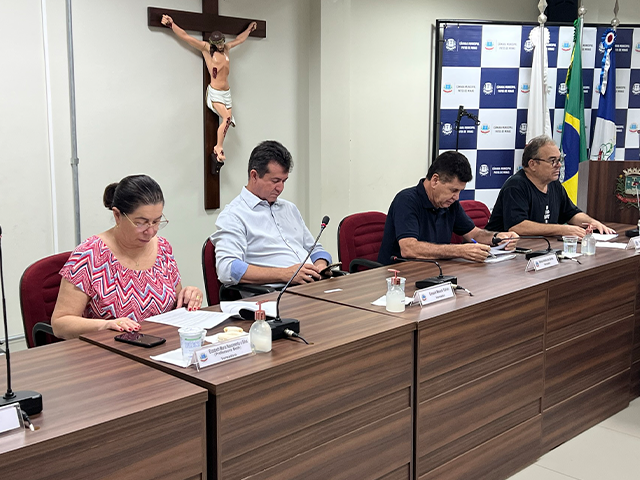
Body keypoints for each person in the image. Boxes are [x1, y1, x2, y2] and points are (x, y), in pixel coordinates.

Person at [51, 175, 203, 339]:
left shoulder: (163, 248)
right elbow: (60, 324)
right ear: (117, 215)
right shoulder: (90, 255)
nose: (150, 231)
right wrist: (105, 325)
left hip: (159, 344)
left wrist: (188, 296)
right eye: (141, 223)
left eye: (156, 222)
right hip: (110, 349)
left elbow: (175, 305)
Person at [211, 140, 332, 286]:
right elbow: (228, 268)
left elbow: (315, 250)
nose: (280, 188)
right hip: (277, 294)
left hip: (312, 285)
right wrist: (284, 274)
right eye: (275, 181)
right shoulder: (234, 216)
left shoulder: (289, 209)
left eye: (284, 181)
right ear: (254, 176)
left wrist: (320, 266)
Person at [378, 151, 518, 265]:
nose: (456, 197)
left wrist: (497, 237)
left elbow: (473, 234)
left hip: (434, 271)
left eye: (460, 191)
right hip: (399, 277)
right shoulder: (406, 200)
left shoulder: (449, 203)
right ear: (435, 180)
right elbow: (409, 249)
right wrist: (460, 251)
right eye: (453, 190)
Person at [161, 15, 257, 172]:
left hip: (227, 93)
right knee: (227, 118)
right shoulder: (206, 49)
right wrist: (172, 24)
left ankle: (219, 147)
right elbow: (186, 37)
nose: (220, 45)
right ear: (213, 43)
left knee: (227, 122)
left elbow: (239, 40)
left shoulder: (227, 48)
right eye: (217, 43)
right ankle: (218, 147)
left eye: (222, 42)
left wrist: (249, 29)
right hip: (216, 93)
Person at [486, 135, 615, 238]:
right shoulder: (516, 186)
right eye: (552, 161)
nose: (559, 165)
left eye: (559, 160)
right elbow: (517, 227)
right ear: (532, 164)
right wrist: (563, 229)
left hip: (541, 248)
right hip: (505, 252)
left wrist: (592, 222)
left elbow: (571, 214)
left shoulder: (554, 184)